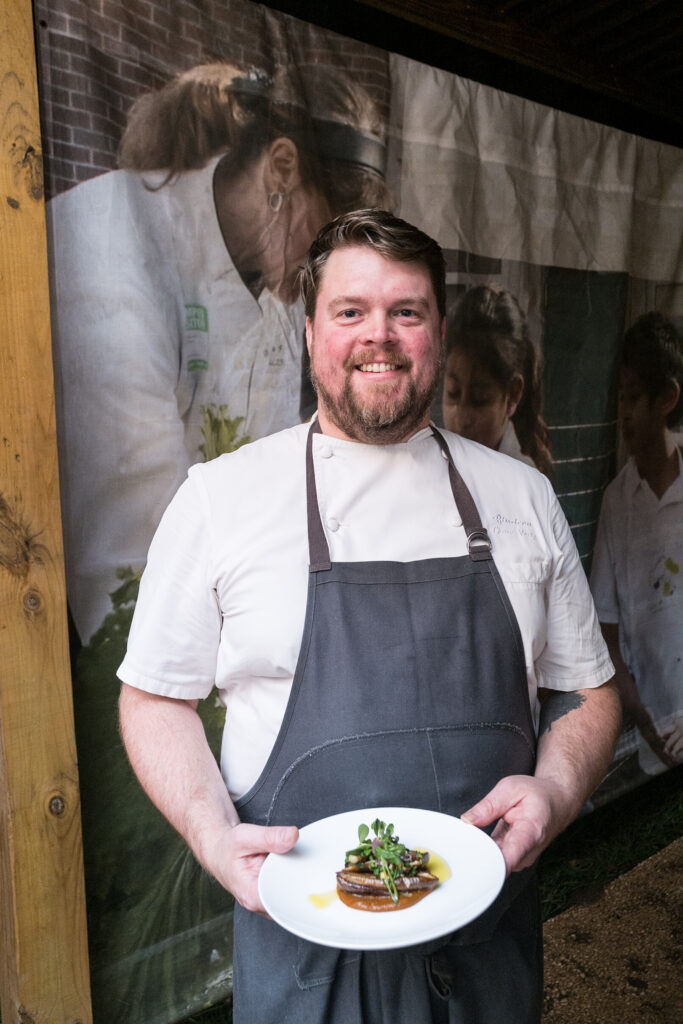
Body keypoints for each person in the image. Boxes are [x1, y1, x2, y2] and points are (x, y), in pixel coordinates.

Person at [118, 209, 620, 1023]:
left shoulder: (520, 497)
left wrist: (556, 793)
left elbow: (588, 692)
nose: (376, 337)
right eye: (350, 311)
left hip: (486, 964)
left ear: (439, 331)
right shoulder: (222, 500)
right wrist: (213, 835)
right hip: (304, 972)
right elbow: (153, 697)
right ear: (311, 327)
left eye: (406, 312)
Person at [47, 61, 388, 642]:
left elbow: (265, 478)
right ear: (280, 168)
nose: (330, 282)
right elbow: (128, 565)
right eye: (325, 244)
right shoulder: (113, 256)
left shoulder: (273, 272)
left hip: (219, 617)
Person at [590, 311, 683, 775]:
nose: (624, 413)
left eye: (635, 398)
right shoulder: (616, 501)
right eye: (619, 398)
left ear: (668, 398)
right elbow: (607, 634)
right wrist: (648, 724)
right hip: (656, 743)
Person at [442, 284, 553, 475]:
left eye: (479, 400)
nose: (461, 418)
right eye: (453, 393)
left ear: (512, 395)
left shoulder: (521, 484)